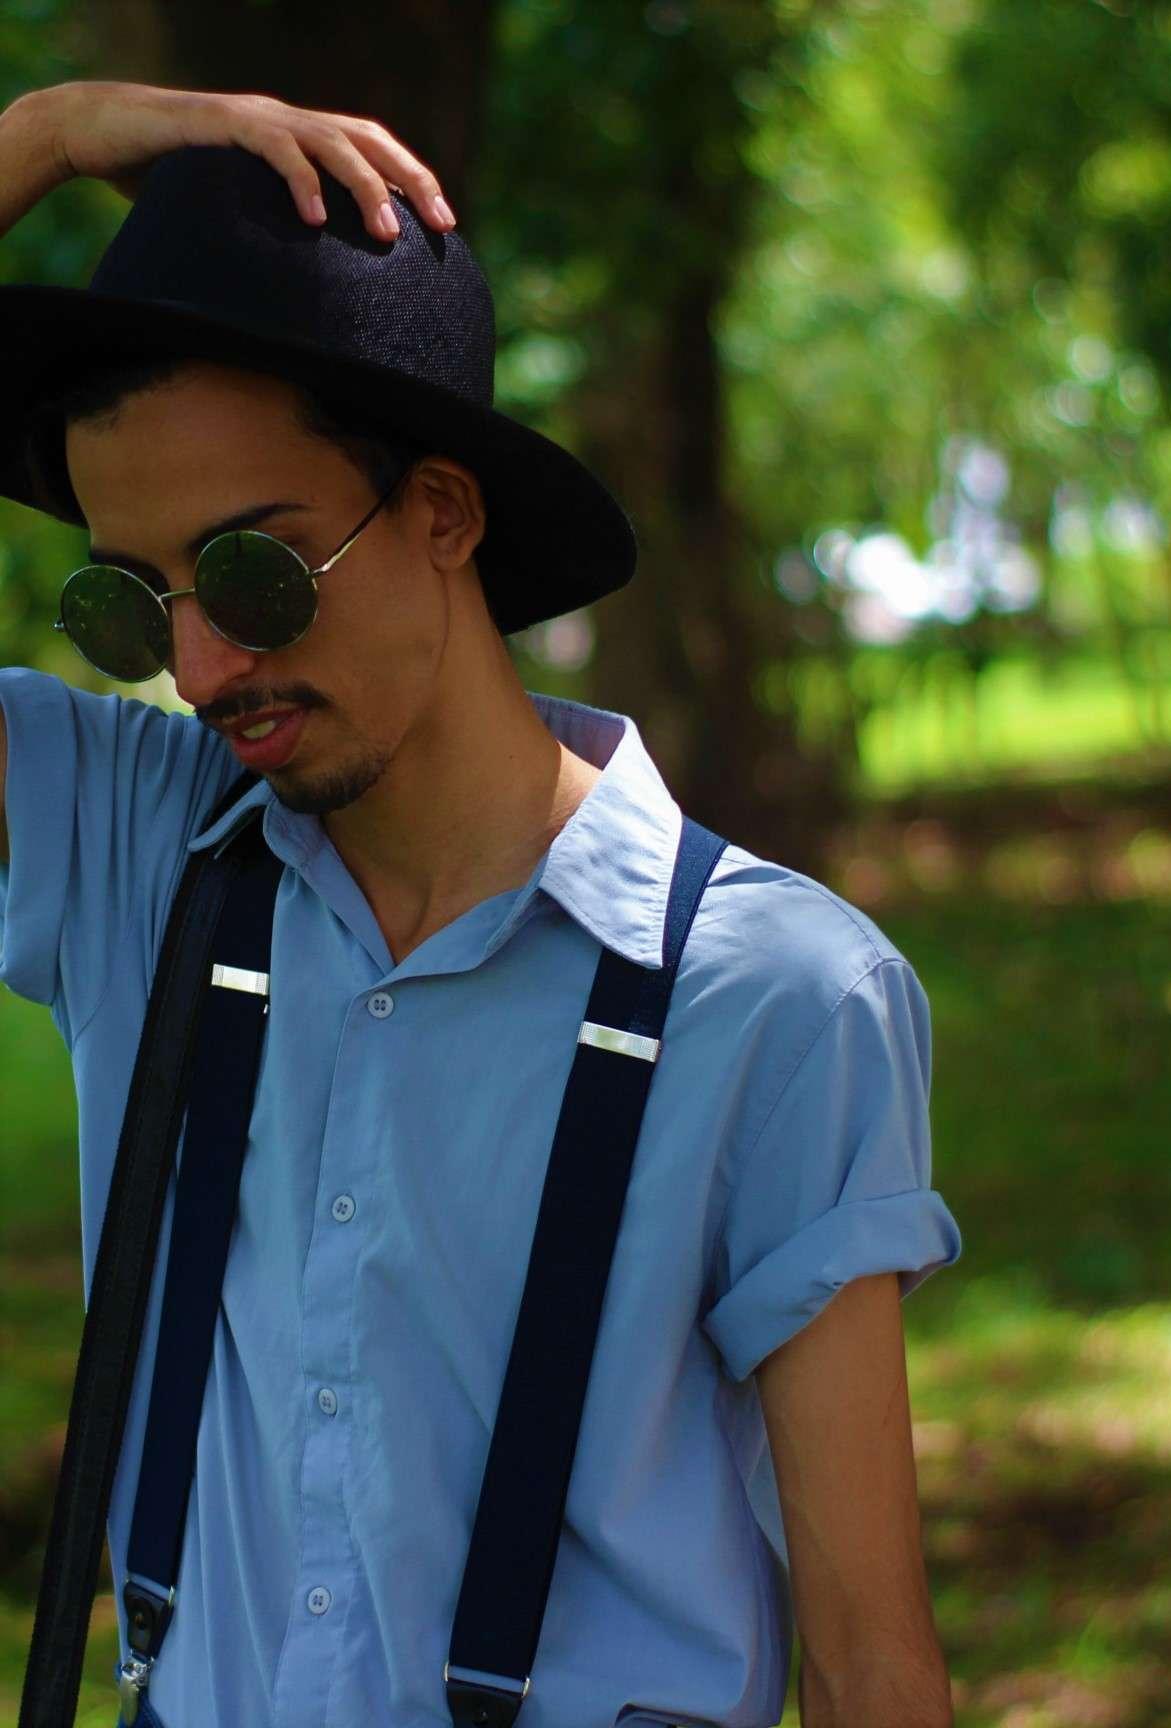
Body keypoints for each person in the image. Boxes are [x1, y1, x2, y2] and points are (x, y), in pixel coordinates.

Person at [0, 81, 962, 1728]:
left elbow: (871, 1663)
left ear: (444, 512)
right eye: (134, 602)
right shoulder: (139, 850)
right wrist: (49, 133)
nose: (204, 667)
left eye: (253, 573)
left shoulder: (778, 993)